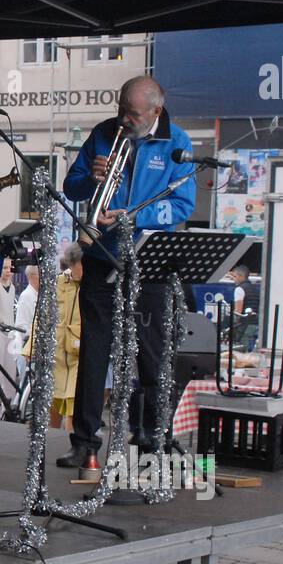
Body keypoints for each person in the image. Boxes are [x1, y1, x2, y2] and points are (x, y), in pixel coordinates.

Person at [59, 75, 196, 468]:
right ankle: (84, 441)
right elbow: (72, 187)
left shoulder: (178, 142)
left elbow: (183, 204)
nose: (124, 120)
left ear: (157, 110)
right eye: (121, 110)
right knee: (93, 351)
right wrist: (91, 177)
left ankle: (151, 438)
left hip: (149, 258)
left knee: (152, 354)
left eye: (132, 114)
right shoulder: (104, 133)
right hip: (102, 253)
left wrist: (134, 217)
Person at [24, 244, 83, 447]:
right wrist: (30, 348)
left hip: (80, 356)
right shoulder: (58, 283)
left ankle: (74, 445)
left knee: (74, 406)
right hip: (56, 355)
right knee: (53, 403)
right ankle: (51, 444)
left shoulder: (93, 286)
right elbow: (42, 316)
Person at [8, 264, 39, 381]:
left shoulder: (35, 295)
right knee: (25, 384)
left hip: (31, 347)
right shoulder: (27, 296)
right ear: (32, 276)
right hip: (26, 347)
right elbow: (22, 325)